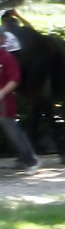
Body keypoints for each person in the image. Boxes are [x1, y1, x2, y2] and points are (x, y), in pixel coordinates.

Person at [0, 31, 39, 170]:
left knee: (12, 129)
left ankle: (29, 158)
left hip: (4, 101)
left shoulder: (7, 58)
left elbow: (14, 79)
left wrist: (3, 92)